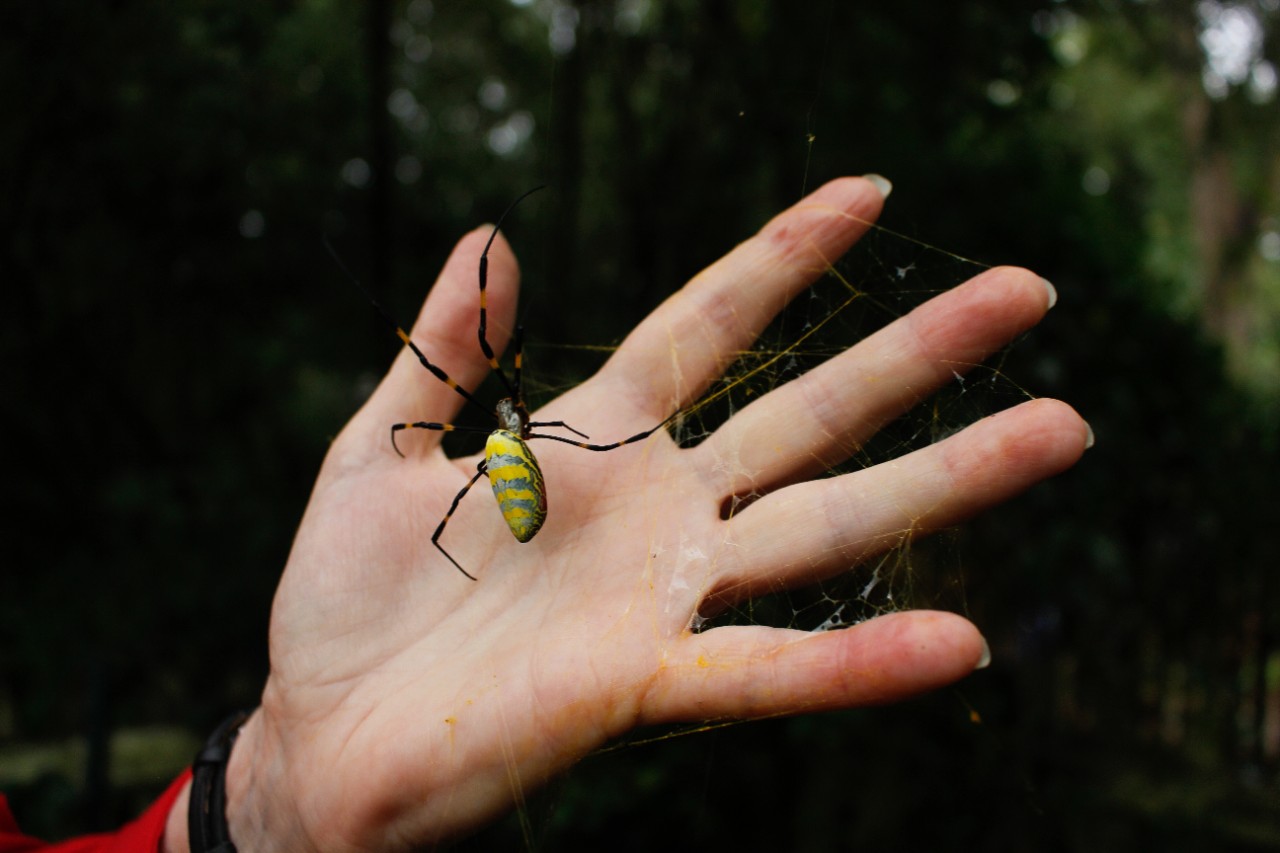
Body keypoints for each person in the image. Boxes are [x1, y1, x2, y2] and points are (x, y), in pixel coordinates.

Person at [0, 176, 1090, 851]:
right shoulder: (519, 444)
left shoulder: (510, 450)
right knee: (533, 451)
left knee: (536, 454)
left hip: (509, 487)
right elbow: (538, 442)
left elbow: (551, 444)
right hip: (515, 480)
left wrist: (263, 819)